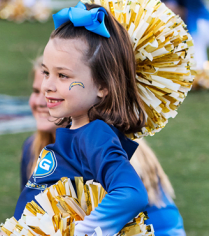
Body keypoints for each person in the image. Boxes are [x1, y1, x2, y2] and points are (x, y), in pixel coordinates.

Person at [14, 3, 150, 235]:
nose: (47, 86)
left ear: (103, 86)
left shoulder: (95, 135)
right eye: (47, 73)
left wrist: (83, 231)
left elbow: (131, 192)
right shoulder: (74, 130)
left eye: (63, 76)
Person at [17, 56, 186, 235]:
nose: (43, 101)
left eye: (55, 90)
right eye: (37, 91)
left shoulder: (105, 146)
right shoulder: (33, 148)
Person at [163, 0, 209, 70]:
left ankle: (200, 69)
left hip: (200, 24)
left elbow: (188, 14)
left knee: (196, 66)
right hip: (179, 26)